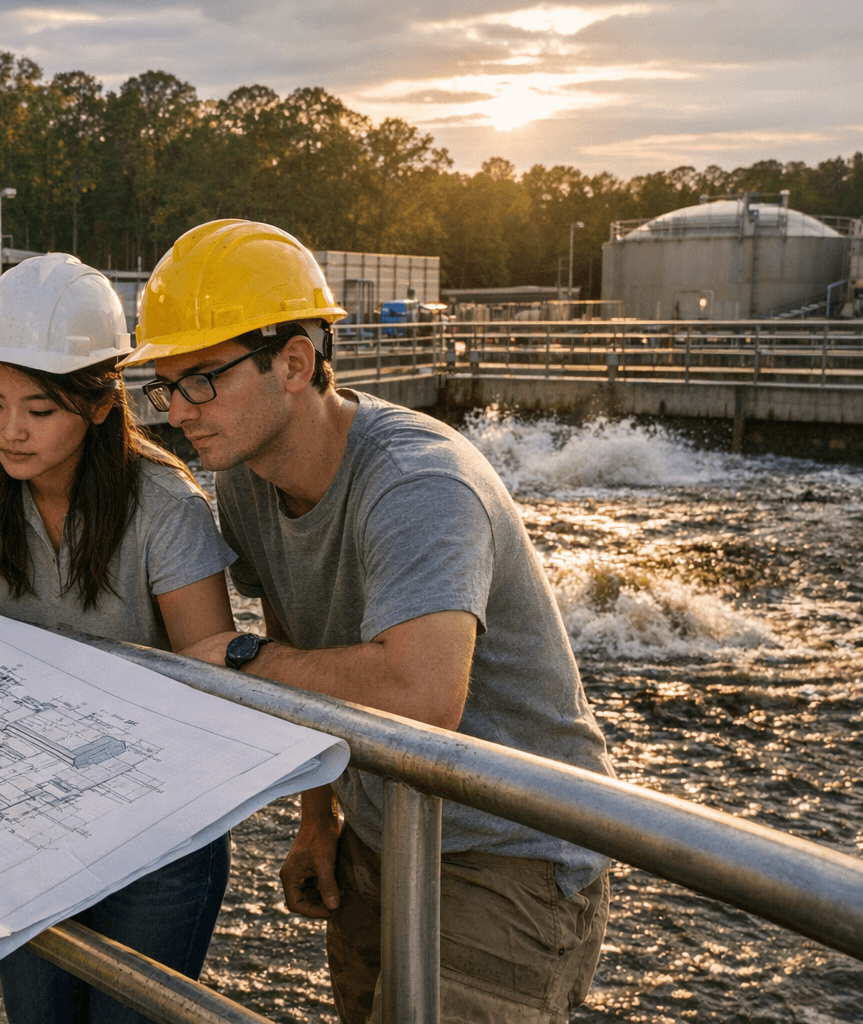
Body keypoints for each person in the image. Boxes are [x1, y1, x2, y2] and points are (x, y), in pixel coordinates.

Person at [120, 219, 615, 1024]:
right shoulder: (245, 477)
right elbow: (295, 616)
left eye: (202, 379)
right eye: (165, 385)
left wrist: (238, 655)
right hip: (384, 835)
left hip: (510, 853)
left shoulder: (419, 485)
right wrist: (321, 817)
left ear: (295, 363)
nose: (177, 411)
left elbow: (422, 696)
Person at [0, 253, 238, 1024]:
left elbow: (212, 676)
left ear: (97, 404)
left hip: (160, 831)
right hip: (27, 815)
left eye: (39, 409)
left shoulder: (165, 504)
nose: (9, 432)